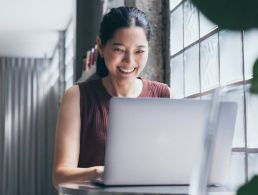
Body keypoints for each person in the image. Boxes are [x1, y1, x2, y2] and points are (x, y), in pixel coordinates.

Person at [52, 6, 171, 189]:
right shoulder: (77, 97)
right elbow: (60, 176)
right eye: (119, 49)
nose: (129, 61)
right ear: (100, 46)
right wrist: (105, 172)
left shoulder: (164, 95)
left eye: (139, 51)